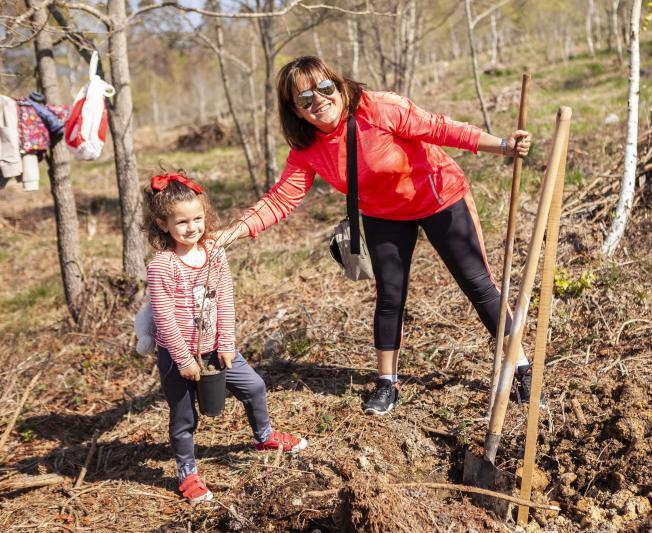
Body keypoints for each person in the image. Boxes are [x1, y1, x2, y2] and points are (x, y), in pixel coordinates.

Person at [221, 56, 533, 416]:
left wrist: (503, 146)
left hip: (439, 196)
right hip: (384, 214)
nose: (319, 101)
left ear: (339, 87)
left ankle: (519, 366)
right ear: (296, 110)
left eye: (325, 88)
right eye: (305, 98)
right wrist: (231, 234)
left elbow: (439, 128)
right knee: (389, 296)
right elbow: (280, 199)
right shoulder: (307, 150)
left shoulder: (380, 108)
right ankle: (387, 383)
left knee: (478, 284)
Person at [143, 172, 307, 504]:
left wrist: (227, 344)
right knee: (184, 416)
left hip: (216, 349)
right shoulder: (163, 265)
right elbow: (163, 317)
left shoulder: (215, 252)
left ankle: (263, 436)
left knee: (254, 386)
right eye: (182, 222)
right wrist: (184, 359)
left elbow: (226, 300)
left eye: (198, 219)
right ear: (163, 224)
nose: (192, 228)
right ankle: (188, 474)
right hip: (179, 355)